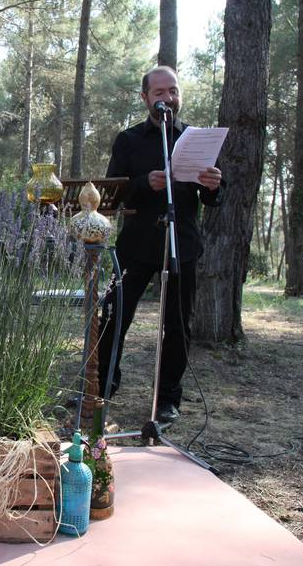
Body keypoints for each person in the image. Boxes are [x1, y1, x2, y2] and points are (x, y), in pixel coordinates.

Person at [96, 66, 223, 424]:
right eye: (159, 92)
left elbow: (212, 198)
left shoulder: (195, 139)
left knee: (178, 325)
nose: (167, 98)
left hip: (180, 244)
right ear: (145, 98)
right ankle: (104, 383)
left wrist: (214, 186)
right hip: (136, 244)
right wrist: (143, 183)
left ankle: (167, 397)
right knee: (115, 314)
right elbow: (111, 193)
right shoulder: (129, 140)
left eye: (173, 91)